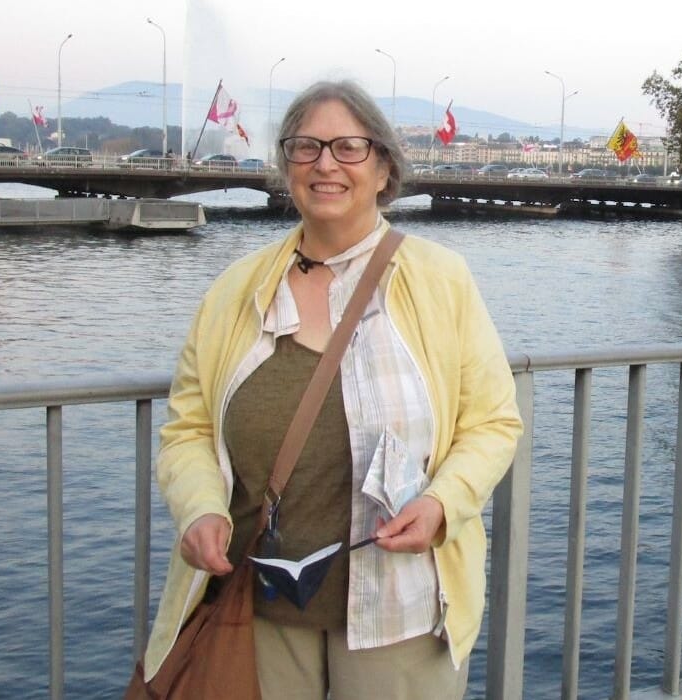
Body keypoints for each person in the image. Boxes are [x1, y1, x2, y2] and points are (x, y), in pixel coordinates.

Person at [142, 79, 522, 700]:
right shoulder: (235, 292)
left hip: (400, 609)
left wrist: (444, 503)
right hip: (257, 608)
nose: (325, 164)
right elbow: (187, 430)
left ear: (383, 168)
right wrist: (200, 509)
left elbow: (492, 423)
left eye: (348, 147)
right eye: (305, 147)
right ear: (286, 166)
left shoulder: (439, 280)